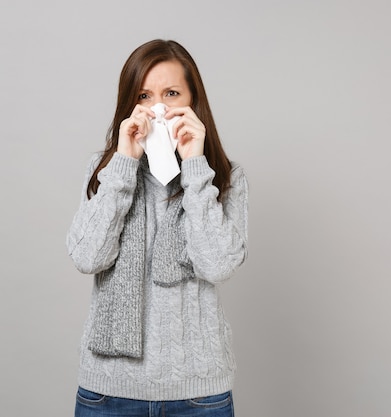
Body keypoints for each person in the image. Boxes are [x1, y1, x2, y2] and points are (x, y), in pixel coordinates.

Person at [66, 39, 248, 417]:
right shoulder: (104, 172)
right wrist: (123, 166)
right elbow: (87, 256)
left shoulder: (225, 178)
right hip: (108, 393)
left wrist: (196, 166)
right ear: (129, 105)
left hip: (200, 396)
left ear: (193, 101)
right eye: (144, 96)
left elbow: (218, 264)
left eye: (171, 93)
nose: (157, 108)